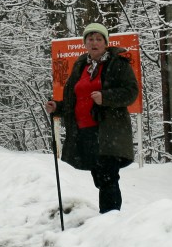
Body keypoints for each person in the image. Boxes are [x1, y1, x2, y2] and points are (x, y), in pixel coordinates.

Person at [45, 23, 139, 213]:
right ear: (85, 43)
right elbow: (74, 100)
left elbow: (131, 93)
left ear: (106, 42)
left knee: (108, 178)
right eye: (90, 39)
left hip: (108, 131)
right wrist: (58, 107)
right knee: (100, 178)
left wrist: (106, 97)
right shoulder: (81, 66)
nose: (94, 42)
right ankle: (108, 220)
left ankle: (110, 220)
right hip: (85, 132)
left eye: (98, 39)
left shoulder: (117, 64)